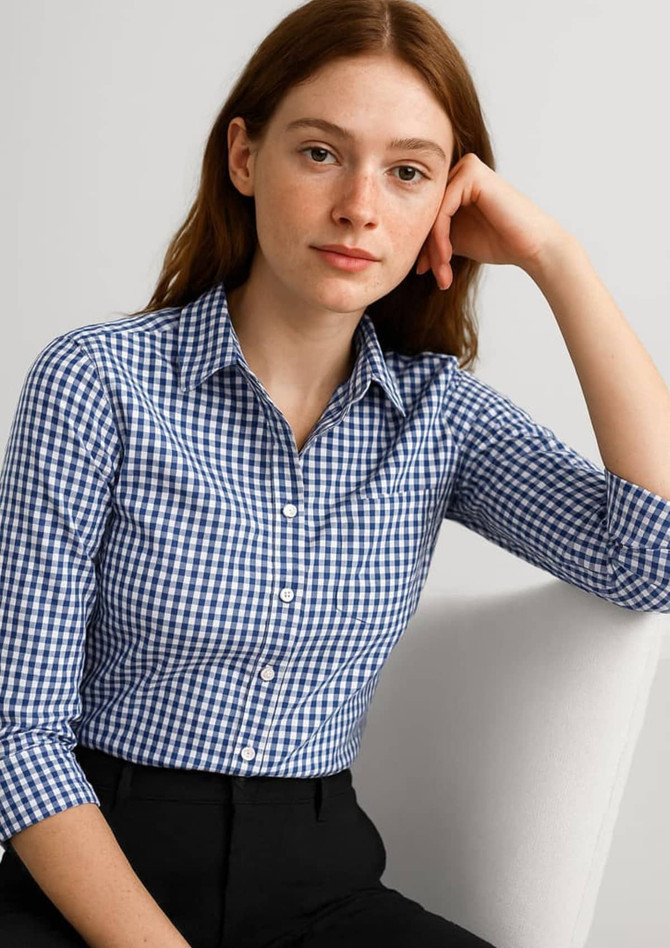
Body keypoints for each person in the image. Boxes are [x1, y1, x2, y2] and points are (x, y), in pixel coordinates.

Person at [1, 0, 669, 945]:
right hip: (90, 884)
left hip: (317, 893)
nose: (360, 205)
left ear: (447, 203)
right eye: (321, 153)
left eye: (408, 172)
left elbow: (653, 560)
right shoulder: (98, 382)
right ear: (244, 157)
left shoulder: (439, 418)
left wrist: (557, 259)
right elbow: (18, 733)